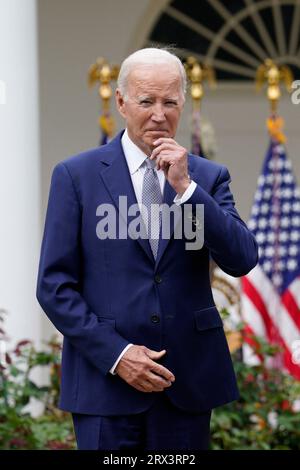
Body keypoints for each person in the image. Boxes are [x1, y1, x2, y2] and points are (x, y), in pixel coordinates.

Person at [36, 48, 258, 450]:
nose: (159, 114)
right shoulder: (76, 176)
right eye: (146, 101)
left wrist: (187, 190)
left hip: (185, 384)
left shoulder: (206, 178)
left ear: (183, 103)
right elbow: (54, 287)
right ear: (121, 102)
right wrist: (119, 355)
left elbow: (241, 259)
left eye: (170, 101)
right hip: (106, 385)